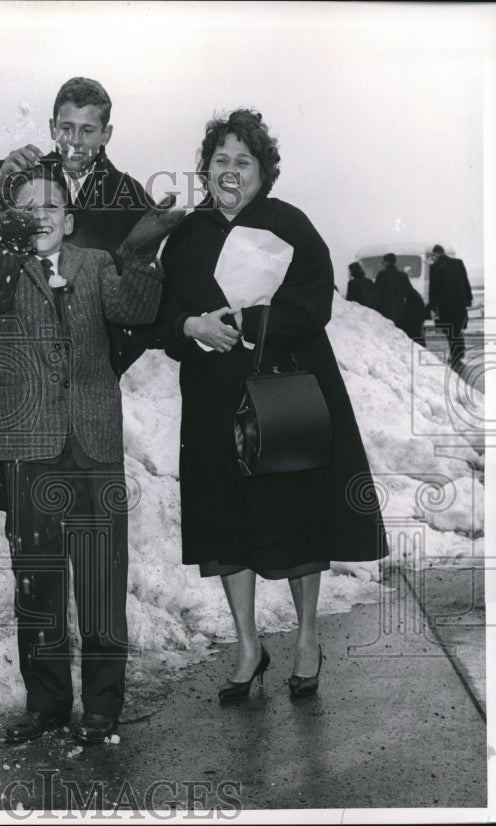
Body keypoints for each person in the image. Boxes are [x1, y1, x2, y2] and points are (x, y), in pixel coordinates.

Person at [154, 109, 387, 701]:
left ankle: (307, 638)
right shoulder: (185, 235)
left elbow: (315, 301)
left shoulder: (289, 224)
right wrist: (192, 324)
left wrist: (257, 322)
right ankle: (248, 646)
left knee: (294, 512)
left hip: (286, 387)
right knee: (226, 517)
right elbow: (162, 314)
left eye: (243, 161)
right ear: (205, 168)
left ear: (264, 171)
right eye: (221, 160)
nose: (230, 172)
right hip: (212, 394)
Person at [0, 167, 162, 744]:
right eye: (29, 206)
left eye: (53, 205)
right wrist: (4, 236)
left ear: (71, 220)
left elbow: (138, 310)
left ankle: (103, 704)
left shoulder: (94, 264)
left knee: (102, 579)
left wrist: (143, 253)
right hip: (30, 448)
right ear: (12, 217)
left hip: (94, 446)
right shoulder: (3, 267)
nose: (42, 214)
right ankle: (46, 702)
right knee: (38, 580)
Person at [0, 77, 156, 514]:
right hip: (17, 378)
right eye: (66, 128)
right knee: (26, 529)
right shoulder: (16, 174)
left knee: (92, 529)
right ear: (51, 125)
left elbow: (139, 300)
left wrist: (106, 361)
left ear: (106, 134)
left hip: (86, 394)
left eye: (87, 130)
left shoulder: (131, 199)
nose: (74, 141)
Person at [428, 244, 473, 365]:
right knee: (458, 328)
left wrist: (432, 306)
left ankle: (455, 354)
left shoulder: (434, 267)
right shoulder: (458, 263)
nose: (433, 258)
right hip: (459, 303)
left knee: (449, 330)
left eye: (433, 255)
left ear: (436, 253)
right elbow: (465, 281)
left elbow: (433, 289)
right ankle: (460, 352)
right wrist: (469, 298)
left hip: (445, 305)